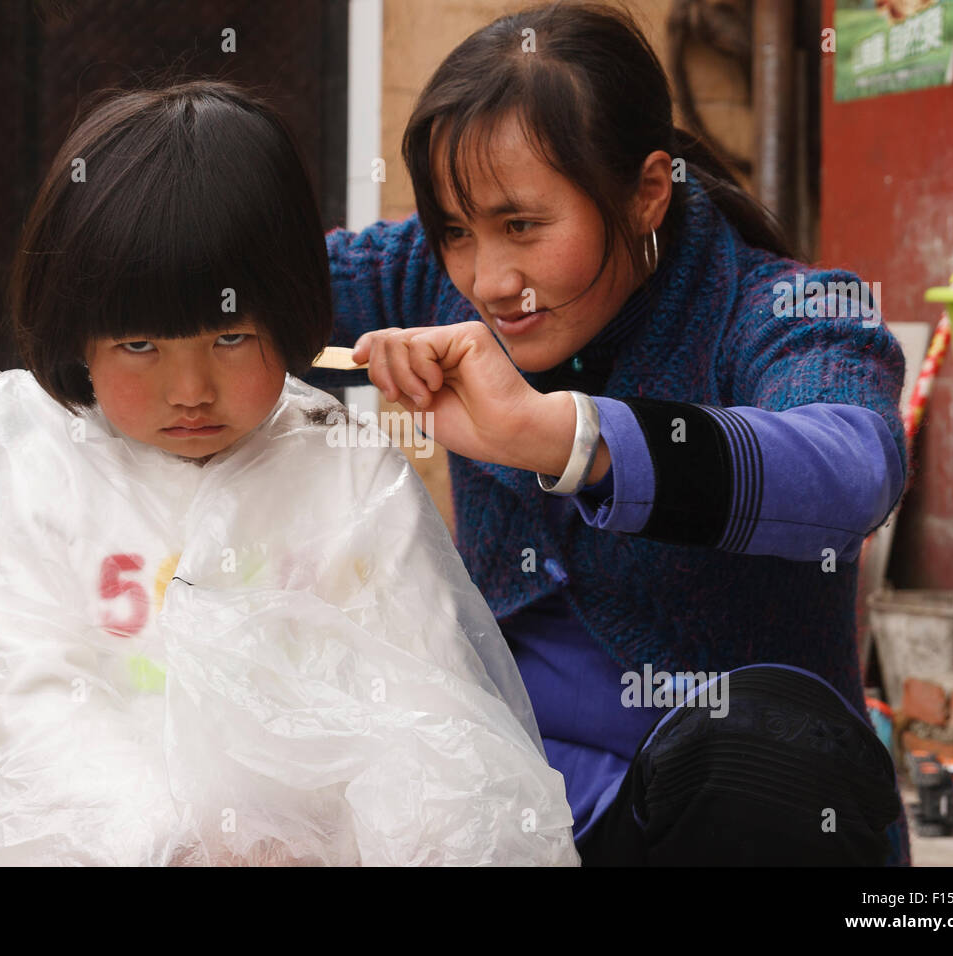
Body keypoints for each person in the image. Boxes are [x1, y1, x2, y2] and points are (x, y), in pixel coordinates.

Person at [303, 1, 911, 865]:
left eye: (523, 226)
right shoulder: (425, 277)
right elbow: (258, 281)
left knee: (767, 745)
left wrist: (571, 440)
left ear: (647, 192)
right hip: (503, 807)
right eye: (455, 231)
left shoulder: (781, 311)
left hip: (722, 826)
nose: (486, 278)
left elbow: (854, 468)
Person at [0, 80, 578, 866]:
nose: (191, 390)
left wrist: (338, 838)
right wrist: (170, 838)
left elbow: (424, 702)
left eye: (232, 338)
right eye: (141, 346)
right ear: (75, 337)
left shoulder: (341, 472)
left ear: (294, 314)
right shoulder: (41, 465)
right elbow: (28, 693)